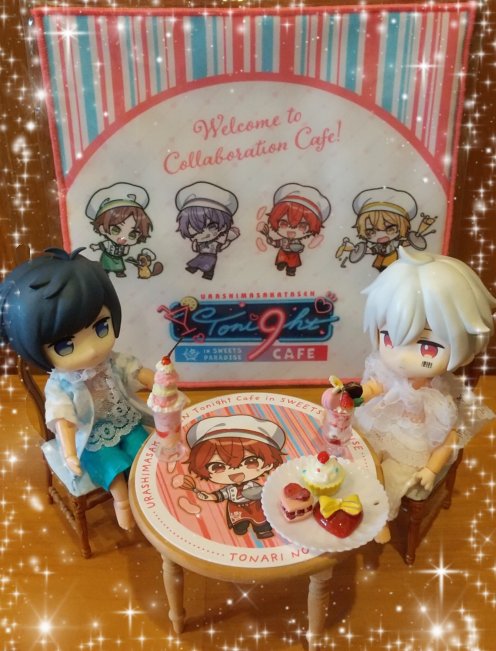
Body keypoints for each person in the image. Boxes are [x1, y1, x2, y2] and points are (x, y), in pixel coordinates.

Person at [0, 248, 154, 529]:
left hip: (124, 422)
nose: (92, 349)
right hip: (90, 436)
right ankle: (123, 503)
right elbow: (64, 420)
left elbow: (134, 371)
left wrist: (158, 380)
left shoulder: (111, 362)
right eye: (65, 345)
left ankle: (149, 501)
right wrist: (70, 452)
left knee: (143, 452)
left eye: (101, 327)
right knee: (114, 472)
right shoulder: (61, 384)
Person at [351, 247, 496, 519]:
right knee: (361, 460)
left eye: (428, 347)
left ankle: (378, 518)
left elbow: (449, 436)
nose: (402, 357)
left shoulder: (438, 394)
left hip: (413, 441)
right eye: (389, 338)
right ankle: (354, 507)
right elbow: (375, 388)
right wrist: (354, 396)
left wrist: (431, 469)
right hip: (379, 424)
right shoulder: (385, 370)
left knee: (392, 478)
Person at [186, 415, 285, 539]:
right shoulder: (229, 489)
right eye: (218, 466)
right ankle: (240, 529)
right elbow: (221, 495)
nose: (236, 472)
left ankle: (262, 530)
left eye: (251, 461)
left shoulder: (253, 486)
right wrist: (209, 496)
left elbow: (265, 491)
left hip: (256, 506)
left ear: (268, 464)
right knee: (239, 524)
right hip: (236, 508)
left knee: (261, 521)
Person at [260, 182, 331, 276]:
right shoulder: (283, 240)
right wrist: (271, 241)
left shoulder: (296, 242)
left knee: (292, 264)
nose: (291, 231)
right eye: (284, 223)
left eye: (302, 226)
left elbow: (300, 248)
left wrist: (299, 248)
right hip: (283, 253)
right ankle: (281, 264)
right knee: (282, 258)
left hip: (294, 254)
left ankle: (291, 270)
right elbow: (277, 243)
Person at [176, 181, 240, 281]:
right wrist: (195, 245)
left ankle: (208, 274)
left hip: (211, 256)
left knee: (209, 265)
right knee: (197, 261)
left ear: (223, 227)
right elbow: (196, 248)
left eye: (211, 226)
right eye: (193, 228)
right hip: (202, 254)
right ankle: (194, 269)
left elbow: (221, 246)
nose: (201, 234)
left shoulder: (217, 241)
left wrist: (228, 240)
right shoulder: (199, 241)